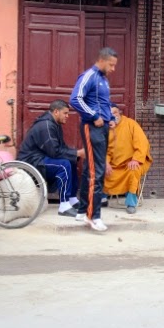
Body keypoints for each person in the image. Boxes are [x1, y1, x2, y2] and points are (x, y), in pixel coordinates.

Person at [69, 47, 117, 232]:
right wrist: (94, 116)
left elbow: (105, 104)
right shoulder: (89, 76)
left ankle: (82, 211)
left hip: (102, 127)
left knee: (90, 168)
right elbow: (75, 99)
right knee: (97, 171)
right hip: (92, 127)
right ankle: (93, 216)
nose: (113, 69)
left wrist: (110, 119)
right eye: (111, 65)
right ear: (102, 60)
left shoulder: (104, 80)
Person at [17, 100, 85, 217]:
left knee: (71, 160)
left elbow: (61, 148)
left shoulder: (54, 124)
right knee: (63, 165)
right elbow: (55, 152)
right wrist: (78, 152)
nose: (67, 116)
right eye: (65, 113)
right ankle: (64, 205)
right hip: (31, 161)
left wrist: (75, 154)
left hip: (41, 158)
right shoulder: (46, 126)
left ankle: (72, 199)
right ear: (56, 112)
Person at [104, 103, 153, 214]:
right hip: (115, 165)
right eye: (110, 114)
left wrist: (136, 159)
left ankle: (131, 203)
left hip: (132, 162)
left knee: (133, 170)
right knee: (98, 169)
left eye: (115, 113)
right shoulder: (106, 128)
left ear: (120, 113)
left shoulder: (131, 124)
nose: (113, 116)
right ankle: (101, 198)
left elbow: (142, 143)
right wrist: (106, 163)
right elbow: (105, 150)